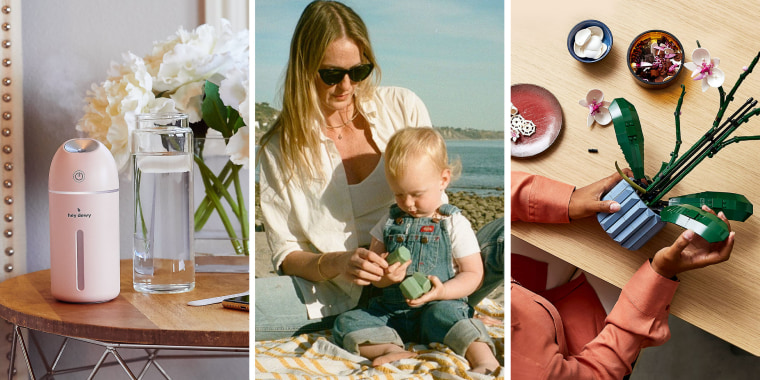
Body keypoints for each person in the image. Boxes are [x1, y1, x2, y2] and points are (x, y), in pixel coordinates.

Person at [255, 0, 504, 341]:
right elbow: (285, 254)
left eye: (358, 72)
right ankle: (418, 320)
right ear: (303, 68)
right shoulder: (279, 147)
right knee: (243, 309)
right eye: (331, 74)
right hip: (337, 292)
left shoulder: (402, 106)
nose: (346, 86)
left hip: (434, 279)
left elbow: (437, 203)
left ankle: (447, 309)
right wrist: (339, 262)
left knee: (509, 232)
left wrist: (451, 286)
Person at [511, 170, 735, 379]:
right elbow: (600, 371)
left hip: (522, 287)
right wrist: (660, 273)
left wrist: (565, 200)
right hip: (578, 342)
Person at [332, 128, 499, 373]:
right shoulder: (388, 222)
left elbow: (474, 274)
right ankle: (389, 349)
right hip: (391, 314)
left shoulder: (452, 223)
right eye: (399, 194)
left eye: (416, 194)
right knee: (346, 321)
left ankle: (485, 361)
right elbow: (375, 276)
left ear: (443, 180)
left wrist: (443, 292)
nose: (408, 203)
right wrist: (385, 276)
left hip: (437, 308)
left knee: (455, 317)